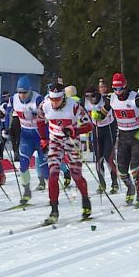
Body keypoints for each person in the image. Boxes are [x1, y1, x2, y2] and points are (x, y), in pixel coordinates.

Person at [37, 83, 95, 225]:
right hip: (55, 140)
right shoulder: (44, 105)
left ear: (63, 97)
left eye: (57, 99)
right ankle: (54, 210)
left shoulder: (74, 106)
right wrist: (43, 138)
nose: (54, 102)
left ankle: (86, 201)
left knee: (76, 174)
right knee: (53, 173)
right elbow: (39, 121)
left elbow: (89, 125)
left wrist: (74, 130)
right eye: (52, 99)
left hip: (71, 140)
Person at [4, 75, 49, 204]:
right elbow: (8, 113)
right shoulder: (14, 99)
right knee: (23, 165)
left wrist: (45, 137)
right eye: (20, 92)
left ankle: (51, 193)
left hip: (39, 135)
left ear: (30, 90)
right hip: (26, 135)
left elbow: (48, 117)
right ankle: (26, 191)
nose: (22, 95)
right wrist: (6, 128)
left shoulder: (38, 99)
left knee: (44, 168)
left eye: (25, 92)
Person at [109, 73, 139, 208]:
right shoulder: (112, 98)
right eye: (115, 89)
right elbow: (103, 112)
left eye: (120, 88)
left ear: (125, 86)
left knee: (135, 168)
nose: (118, 92)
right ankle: (130, 187)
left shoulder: (135, 98)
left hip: (136, 136)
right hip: (122, 136)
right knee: (121, 170)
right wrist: (98, 115)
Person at [84, 86, 119, 193]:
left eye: (93, 96)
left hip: (109, 129)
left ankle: (114, 183)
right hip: (97, 130)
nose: (90, 99)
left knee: (108, 157)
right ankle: (101, 183)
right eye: (87, 96)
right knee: (98, 158)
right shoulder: (86, 102)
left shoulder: (105, 100)